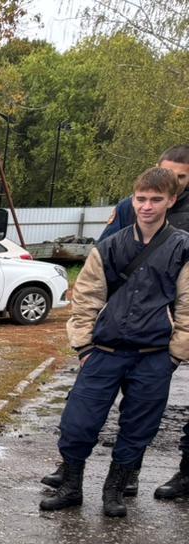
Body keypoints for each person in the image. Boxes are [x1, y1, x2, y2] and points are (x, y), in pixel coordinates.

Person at [39, 167, 189, 517]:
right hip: (104, 352)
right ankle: (71, 486)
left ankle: (114, 490)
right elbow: (86, 298)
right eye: (141, 199)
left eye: (155, 199)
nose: (147, 206)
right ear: (132, 199)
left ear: (171, 200)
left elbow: (187, 305)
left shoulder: (182, 248)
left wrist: (174, 356)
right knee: (78, 423)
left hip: (153, 356)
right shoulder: (110, 246)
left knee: (138, 428)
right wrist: (84, 347)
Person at [98, 145, 189, 240]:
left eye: (180, 176)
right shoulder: (128, 207)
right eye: (165, 173)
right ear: (156, 168)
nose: (172, 180)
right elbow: (105, 249)